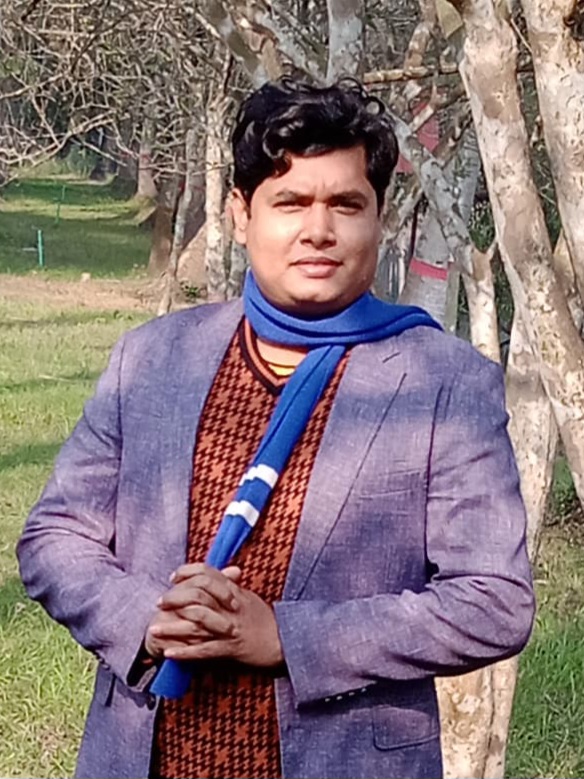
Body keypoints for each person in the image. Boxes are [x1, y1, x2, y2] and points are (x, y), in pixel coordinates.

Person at [17, 78, 534, 779]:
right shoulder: (154, 357)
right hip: (142, 757)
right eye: (290, 202)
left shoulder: (442, 382)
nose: (319, 230)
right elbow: (54, 536)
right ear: (240, 213)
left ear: (380, 216)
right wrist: (147, 617)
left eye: (345, 204)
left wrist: (287, 636)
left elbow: (494, 603)